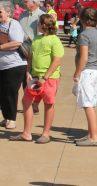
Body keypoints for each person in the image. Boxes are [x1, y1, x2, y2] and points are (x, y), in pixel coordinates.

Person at [12, 14, 64, 143]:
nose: (37, 25)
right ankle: (26, 133)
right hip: (33, 78)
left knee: (48, 104)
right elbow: (31, 57)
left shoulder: (55, 40)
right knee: (26, 102)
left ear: (45, 25)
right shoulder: (37, 39)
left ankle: (45, 134)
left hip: (49, 79)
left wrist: (45, 77)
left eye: (39, 23)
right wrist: (28, 71)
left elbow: (57, 61)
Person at [0, 1, 28, 131]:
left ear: (8, 12)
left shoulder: (14, 24)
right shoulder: (1, 25)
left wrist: (0, 47)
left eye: (0, 12)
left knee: (11, 92)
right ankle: (6, 117)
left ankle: (12, 119)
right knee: (2, 92)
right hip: (0, 66)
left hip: (14, 65)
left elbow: (17, 42)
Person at [72, 8, 97, 146]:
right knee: (90, 102)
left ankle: (94, 137)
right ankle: (90, 134)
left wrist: (77, 74)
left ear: (82, 19)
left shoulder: (84, 35)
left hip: (87, 71)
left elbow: (83, 57)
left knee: (87, 104)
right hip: (95, 70)